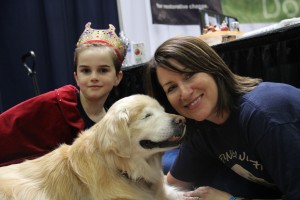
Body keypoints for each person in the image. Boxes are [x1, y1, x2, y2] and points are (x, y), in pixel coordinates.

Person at [144, 35, 300, 199]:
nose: (185, 93)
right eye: (172, 88)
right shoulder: (202, 126)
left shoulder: (266, 117)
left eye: (189, 75)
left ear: (212, 67)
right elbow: (170, 186)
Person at [0, 22, 127, 167]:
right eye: (86, 71)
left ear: (117, 77)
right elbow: (9, 124)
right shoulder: (58, 104)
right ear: (76, 77)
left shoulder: (114, 120)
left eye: (103, 70)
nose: (94, 77)